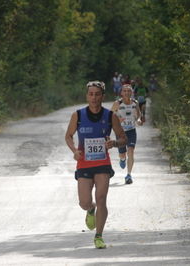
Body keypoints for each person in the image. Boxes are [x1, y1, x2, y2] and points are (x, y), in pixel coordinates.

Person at [65, 80, 127, 249]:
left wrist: (114, 143)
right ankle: (90, 209)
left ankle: (99, 236)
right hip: (84, 164)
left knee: (101, 199)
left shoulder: (110, 116)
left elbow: (124, 138)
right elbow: (68, 136)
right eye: (91, 94)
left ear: (102, 96)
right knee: (84, 202)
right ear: (87, 96)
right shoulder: (77, 115)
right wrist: (74, 151)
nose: (93, 97)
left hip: (102, 164)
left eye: (97, 94)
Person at [111, 84, 142, 184]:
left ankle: (129, 175)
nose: (127, 93)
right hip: (120, 132)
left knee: (131, 150)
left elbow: (139, 114)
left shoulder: (135, 102)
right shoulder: (118, 103)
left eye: (129, 91)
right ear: (121, 93)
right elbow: (110, 115)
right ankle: (122, 159)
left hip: (131, 130)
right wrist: (118, 119)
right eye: (125, 91)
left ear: (132, 92)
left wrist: (138, 120)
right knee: (122, 154)